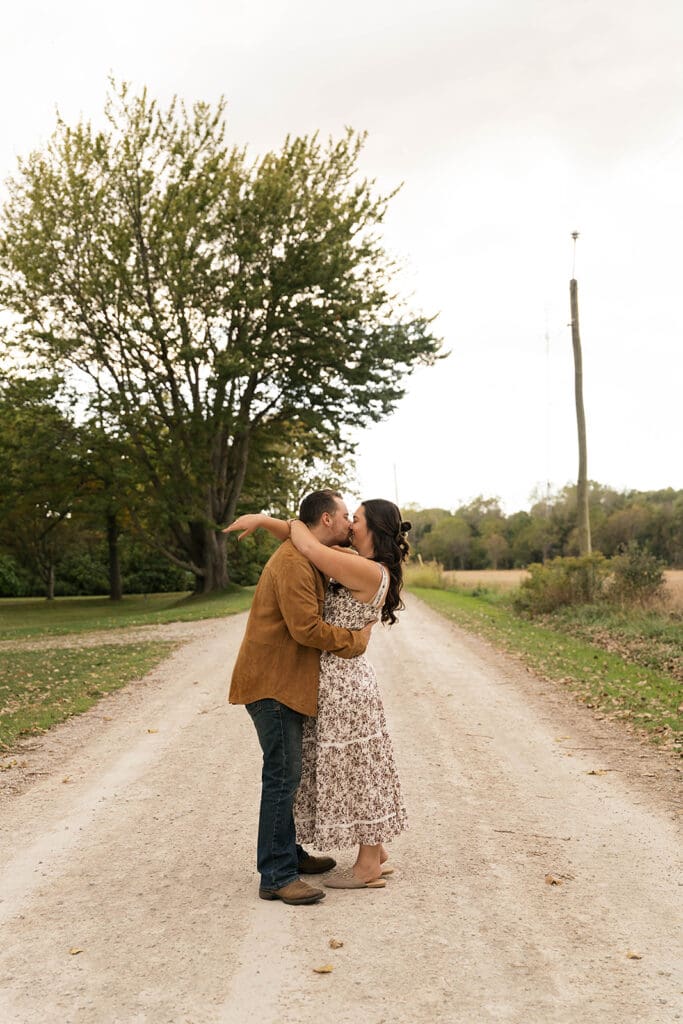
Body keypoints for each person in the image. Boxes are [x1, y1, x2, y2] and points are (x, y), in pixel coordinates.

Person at [227, 496, 410, 890]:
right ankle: (373, 852)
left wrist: (265, 520)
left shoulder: (360, 567)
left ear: (371, 529)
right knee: (353, 767)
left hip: (344, 682)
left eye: (355, 519)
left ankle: (364, 863)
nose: (349, 524)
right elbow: (305, 533)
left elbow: (307, 540)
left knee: (355, 769)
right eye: (346, 517)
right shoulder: (345, 555)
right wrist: (264, 521)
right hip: (337, 678)